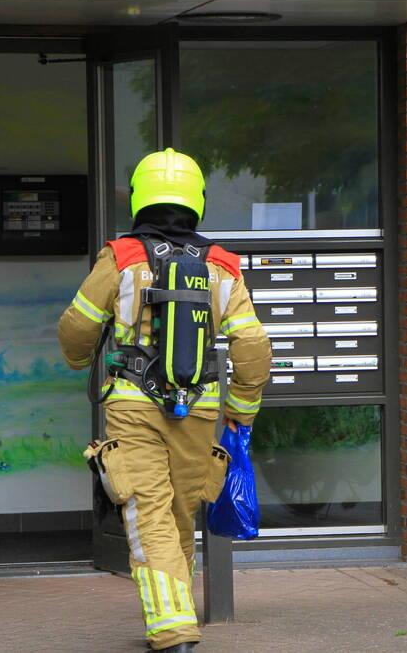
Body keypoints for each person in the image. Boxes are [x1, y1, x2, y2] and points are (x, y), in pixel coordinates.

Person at [58, 148, 271, 652]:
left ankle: (173, 628)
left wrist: (78, 355)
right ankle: (176, 613)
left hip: (133, 405)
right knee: (178, 512)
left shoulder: (123, 257)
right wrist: (241, 410)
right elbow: (254, 346)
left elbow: (78, 328)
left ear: (140, 197)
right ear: (195, 198)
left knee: (147, 509)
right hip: (199, 409)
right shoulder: (222, 266)